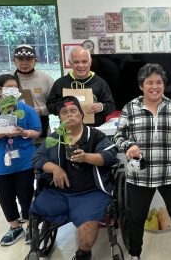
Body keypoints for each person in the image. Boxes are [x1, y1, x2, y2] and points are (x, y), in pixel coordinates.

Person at [114, 63, 171, 259]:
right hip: (141, 174)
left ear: (164, 85)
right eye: (150, 82)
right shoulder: (130, 108)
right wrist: (127, 146)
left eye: (159, 82)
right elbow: (118, 136)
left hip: (170, 172)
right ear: (141, 85)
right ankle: (135, 254)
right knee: (137, 217)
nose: (155, 86)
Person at [31, 96, 118, 260]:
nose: (69, 115)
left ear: (81, 115)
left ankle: (83, 253)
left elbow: (109, 156)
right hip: (59, 192)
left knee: (87, 231)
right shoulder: (55, 137)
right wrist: (54, 168)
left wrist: (86, 157)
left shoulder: (95, 135)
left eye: (73, 111)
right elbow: (37, 159)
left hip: (90, 192)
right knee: (39, 207)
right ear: (59, 117)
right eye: (64, 112)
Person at [0, 74, 41, 246]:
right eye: (9, 87)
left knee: (26, 193)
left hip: (24, 160)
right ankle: (14, 227)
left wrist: (23, 133)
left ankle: (30, 225)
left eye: (16, 87)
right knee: (5, 196)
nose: (13, 90)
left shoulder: (25, 110)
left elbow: (36, 131)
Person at [46, 46, 115, 126]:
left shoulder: (100, 83)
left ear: (90, 62)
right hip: (68, 131)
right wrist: (61, 108)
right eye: (76, 62)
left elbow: (111, 106)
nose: (81, 65)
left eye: (84, 61)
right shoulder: (60, 83)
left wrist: (101, 107)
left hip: (95, 131)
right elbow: (50, 105)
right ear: (70, 63)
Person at [12, 44, 54, 140]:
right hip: (15, 132)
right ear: (14, 61)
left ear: (35, 60)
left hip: (41, 130)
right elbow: (0, 106)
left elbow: (55, 105)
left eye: (28, 59)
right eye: (20, 59)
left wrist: (42, 110)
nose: (24, 63)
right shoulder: (8, 79)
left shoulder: (46, 79)